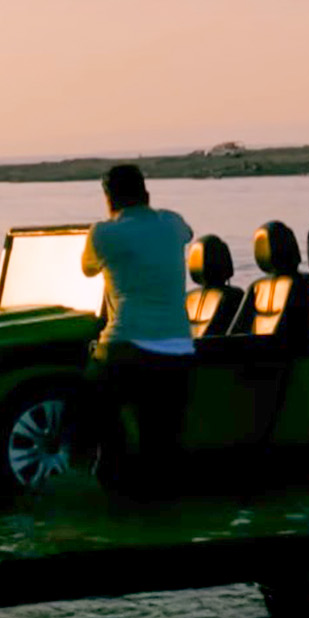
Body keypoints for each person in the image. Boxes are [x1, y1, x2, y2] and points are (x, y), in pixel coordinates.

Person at [76, 165, 194, 491]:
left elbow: (87, 269)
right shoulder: (172, 222)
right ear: (147, 193)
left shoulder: (103, 233)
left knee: (88, 410)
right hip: (179, 349)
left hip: (126, 346)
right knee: (163, 444)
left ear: (108, 198)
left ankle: (100, 480)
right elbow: (188, 233)